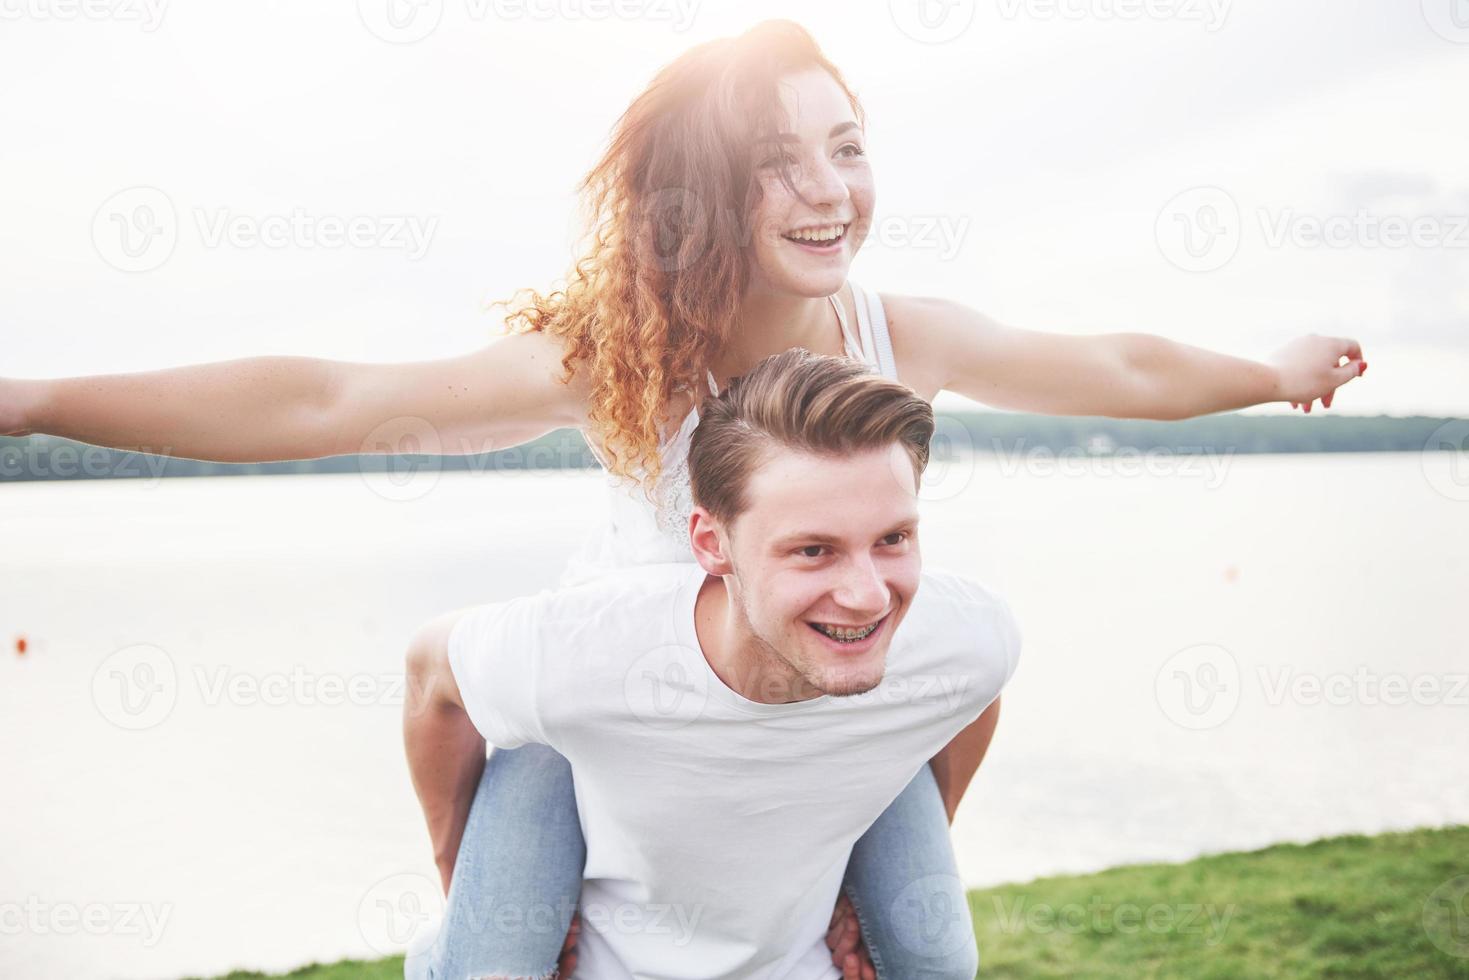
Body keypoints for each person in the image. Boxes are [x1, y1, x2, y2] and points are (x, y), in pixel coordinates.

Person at [0, 17, 1367, 977]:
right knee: (491, 963)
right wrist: (38, 401)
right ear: (709, 186)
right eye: (780, 160)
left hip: (808, 704)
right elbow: (328, 402)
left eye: (847, 145)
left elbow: (1111, 363)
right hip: (601, 719)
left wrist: (1266, 368)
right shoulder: (619, 359)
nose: (830, 191)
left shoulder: (893, 330)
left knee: (929, 951)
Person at [403, 348, 1023, 980]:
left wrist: (880, 870)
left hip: (794, 952)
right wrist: (463, 881)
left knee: (943, 961)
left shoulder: (965, 634)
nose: (867, 595)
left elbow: (972, 687)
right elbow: (431, 673)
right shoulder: (584, 654)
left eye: (893, 538)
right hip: (601, 941)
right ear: (710, 543)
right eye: (813, 550)